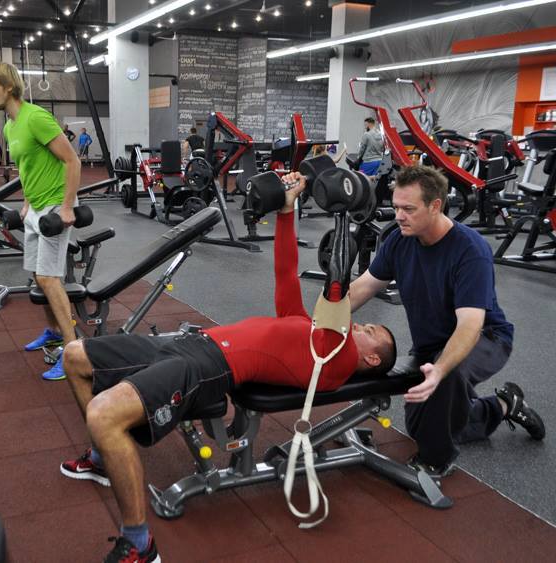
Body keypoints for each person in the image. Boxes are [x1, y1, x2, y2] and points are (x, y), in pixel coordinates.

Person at [58, 172, 397, 562]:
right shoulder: (309, 328)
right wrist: (287, 211)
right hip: (193, 343)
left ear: (372, 358)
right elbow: (286, 271)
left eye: (371, 330)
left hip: (208, 367)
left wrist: (342, 218)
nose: (362, 324)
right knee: (75, 356)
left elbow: (336, 286)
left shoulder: (336, 359)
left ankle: (139, 544)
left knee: (103, 415)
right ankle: (102, 458)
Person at [349, 165, 545, 477]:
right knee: (423, 423)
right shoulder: (399, 240)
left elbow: (469, 325)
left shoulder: (469, 250)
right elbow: (363, 287)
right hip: (431, 344)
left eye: (408, 209)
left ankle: (434, 462)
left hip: (486, 337)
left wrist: (440, 369)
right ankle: (504, 405)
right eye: (396, 207)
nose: (399, 215)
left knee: (445, 383)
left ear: (435, 205)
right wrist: (320, 324)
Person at [0, 61, 81, 381]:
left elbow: (72, 160)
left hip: (55, 206)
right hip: (35, 208)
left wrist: (66, 207)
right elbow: (27, 168)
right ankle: (54, 332)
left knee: (50, 278)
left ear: (8, 86)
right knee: (39, 278)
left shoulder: (36, 117)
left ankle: (74, 349)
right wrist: (25, 204)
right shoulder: (10, 127)